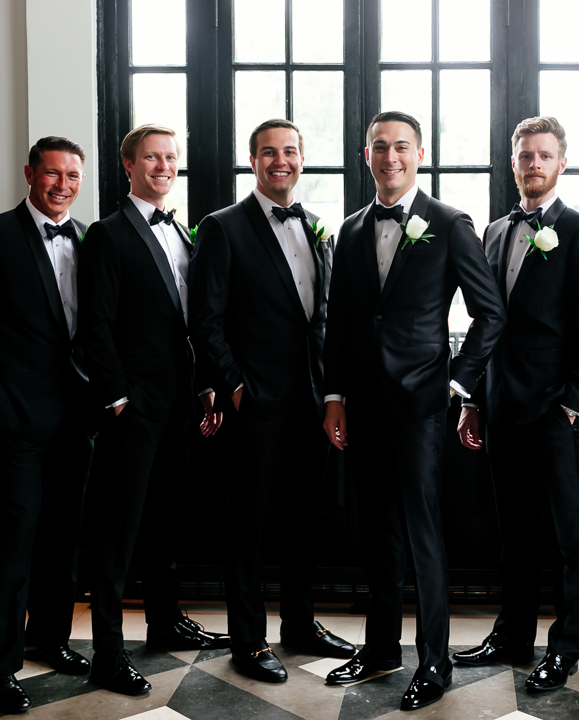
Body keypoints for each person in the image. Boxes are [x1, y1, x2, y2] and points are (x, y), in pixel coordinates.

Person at [321, 111, 505, 711]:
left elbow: (489, 313)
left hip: (425, 402)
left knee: (424, 533)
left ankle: (435, 661)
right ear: (365, 156)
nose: (390, 157)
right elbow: (343, 323)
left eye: (401, 147)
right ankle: (379, 650)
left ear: (419, 154)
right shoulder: (349, 229)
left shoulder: (450, 224)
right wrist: (334, 396)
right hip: (363, 404)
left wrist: (457, 383)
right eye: (379, 147)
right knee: (374, 530)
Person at [188, 119, 355, 684]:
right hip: (253, 405)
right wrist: (235, 387)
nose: (279, 161)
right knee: (249, 525)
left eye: (289, 151)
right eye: (268, 153)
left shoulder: (313, 225)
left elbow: (322, 319)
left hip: (311, 403)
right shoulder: (222, 227)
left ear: (302, 159)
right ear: (252, 161)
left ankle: (300, 624)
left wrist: (332, 390)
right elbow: (204, 321)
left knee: (304, 522)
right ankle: (249, 639)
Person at [452, 116, 579, 692]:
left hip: (554, 410)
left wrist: (574, 405)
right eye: (524, 156)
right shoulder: (494, 231)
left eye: (544, 155)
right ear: (513, 162)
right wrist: (472, 400)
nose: (534, 164)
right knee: (513, 530)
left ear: (562, 163)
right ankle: (513, 634)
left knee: (571, 536)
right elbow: (487, 323)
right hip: (499, 404)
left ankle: (565, 648)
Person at [0, 137, 94, 714]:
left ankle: (50, 639)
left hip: (77, 421)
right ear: (29, 174)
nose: (62, 185)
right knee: (14, 546)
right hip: (15, 424)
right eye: (51, 174)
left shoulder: (88, 237)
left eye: (72, 176)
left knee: (62, 539)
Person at [78, 124, 228, 696]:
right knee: (118, 532)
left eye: (170, 158)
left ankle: (164, 622)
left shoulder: (185, 234)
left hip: (181, 404)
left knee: (166, 519)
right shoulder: (108, 235)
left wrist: (206, 388)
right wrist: (117, 399)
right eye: (151, 158)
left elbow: (193, 323)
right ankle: (108, 654)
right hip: (134, 408)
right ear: (129, 165)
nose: (163, 166)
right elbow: (95, 324)